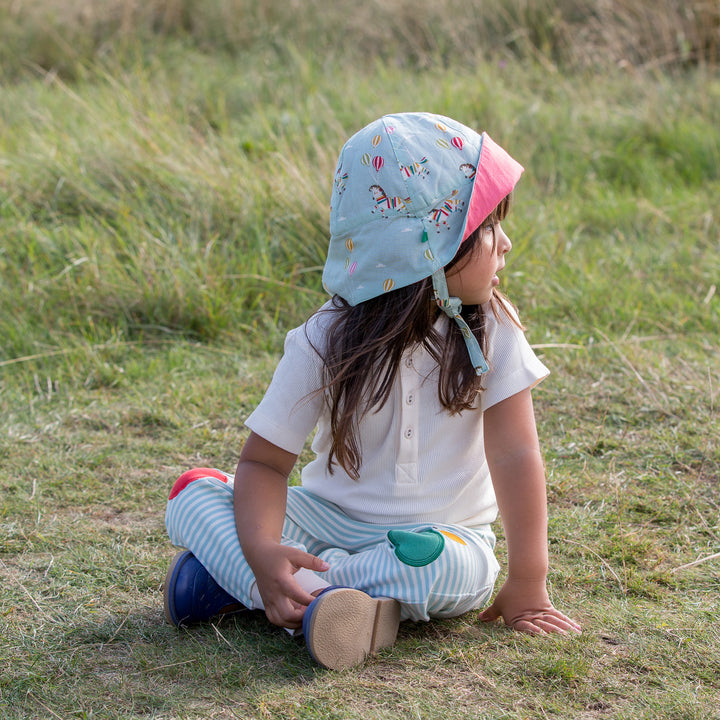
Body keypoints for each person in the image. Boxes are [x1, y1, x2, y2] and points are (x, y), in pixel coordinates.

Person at [162, 112, 581, 671]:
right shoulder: (324, 339)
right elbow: (263, 464)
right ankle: (310, 595)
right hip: (329, 518)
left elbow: (516, 454)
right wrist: (263, 549)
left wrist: (528, 580)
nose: (506, 243)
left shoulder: (494, 331)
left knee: (459, 569)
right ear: (424, 247)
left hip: (438, 538)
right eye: (486, 228)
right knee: (193, 493)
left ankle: (256, 587)